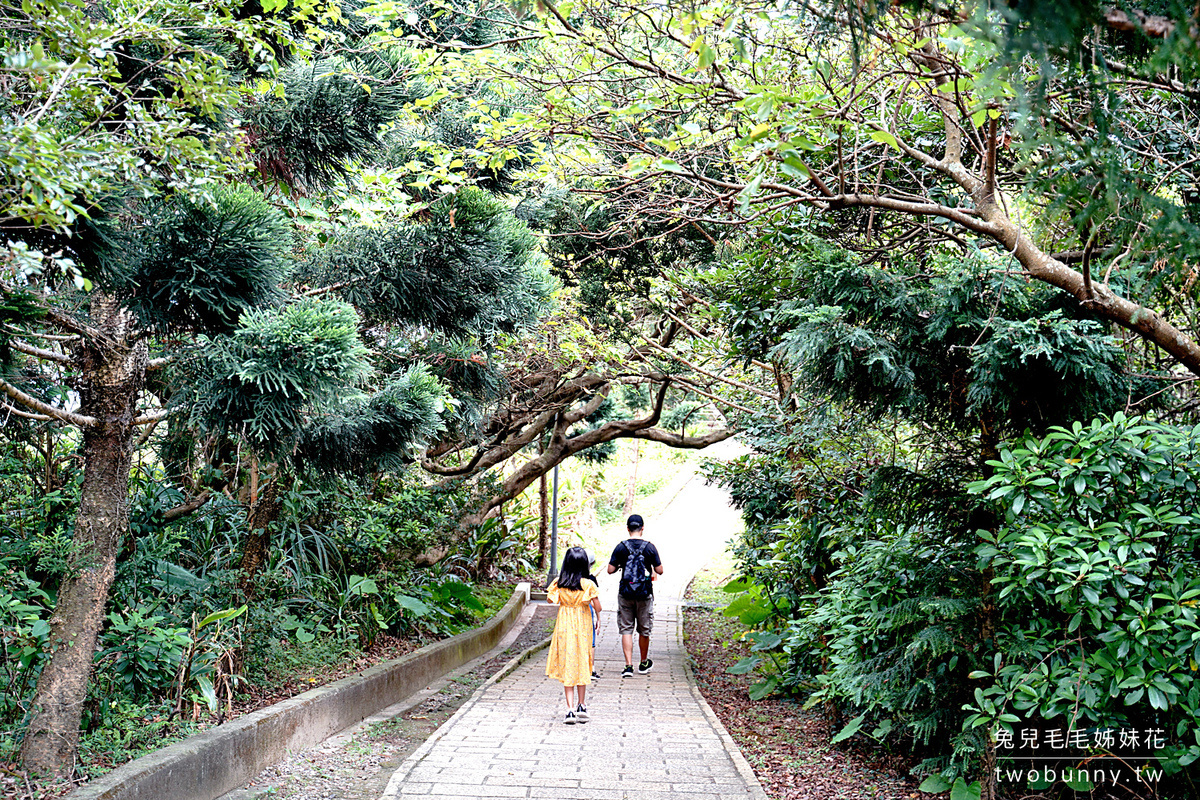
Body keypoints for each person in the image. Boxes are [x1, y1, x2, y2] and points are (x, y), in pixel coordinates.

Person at [546, 546, 602, 724]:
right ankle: (582, 705)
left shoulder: (558, 583)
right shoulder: (588, 584)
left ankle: (569, 709)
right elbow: (597, 605)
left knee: (568, 662)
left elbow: (550, 599)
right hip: (582, 625)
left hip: (564, 625)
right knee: (582, 661)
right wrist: (598, 617)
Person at [606, 513, 663, 678]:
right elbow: (660, 570)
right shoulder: (650, 547)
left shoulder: (621, 547)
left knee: (626, 629)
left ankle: (628, 665)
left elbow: (610, 570)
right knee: (644, 629)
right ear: (643, 528)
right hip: (644, 594)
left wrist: (619, 566)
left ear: (627, 528)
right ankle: (643, 663)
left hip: (625, 593)